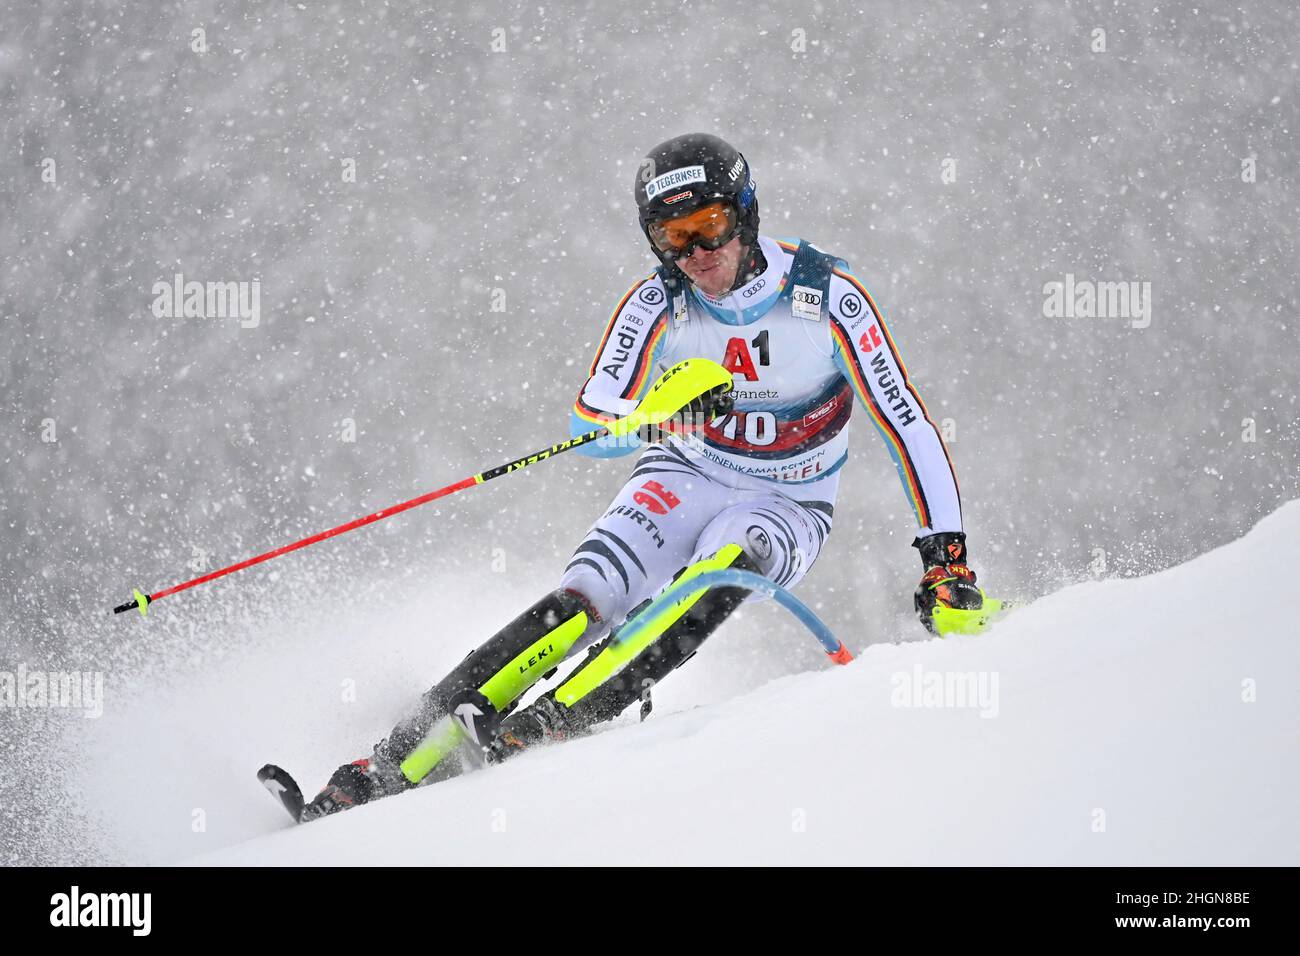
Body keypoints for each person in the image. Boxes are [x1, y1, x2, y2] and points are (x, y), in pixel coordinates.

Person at [303, 133, 986, 818]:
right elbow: (589, 426)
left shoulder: (826, 296)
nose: (696, 255)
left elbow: (908, 426)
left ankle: (553, 722)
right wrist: (662, 420)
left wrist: (945, 561)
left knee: (721, 568)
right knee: (588, 593)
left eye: (709, 228)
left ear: (744, 213)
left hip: (788, 500)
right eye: (673, 238)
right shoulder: (658, 302)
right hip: (685, 473)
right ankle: (383, 765)